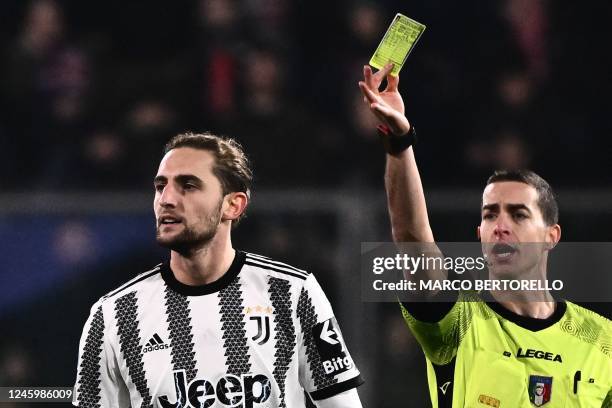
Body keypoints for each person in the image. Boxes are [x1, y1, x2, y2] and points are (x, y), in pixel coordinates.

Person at [359, 63, 611, 407]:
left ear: (551, 236)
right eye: (490, 214)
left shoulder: (602, 341)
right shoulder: (456, 321)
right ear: (479, 233)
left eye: (519, 214)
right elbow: (411, 238)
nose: (500, 225)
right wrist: (400, 143)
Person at [73, 132, 364, 407]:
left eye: (188, 185)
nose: (166, 199)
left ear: (233, 205)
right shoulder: (114, 315)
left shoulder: (293, 295)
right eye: (161, 186)